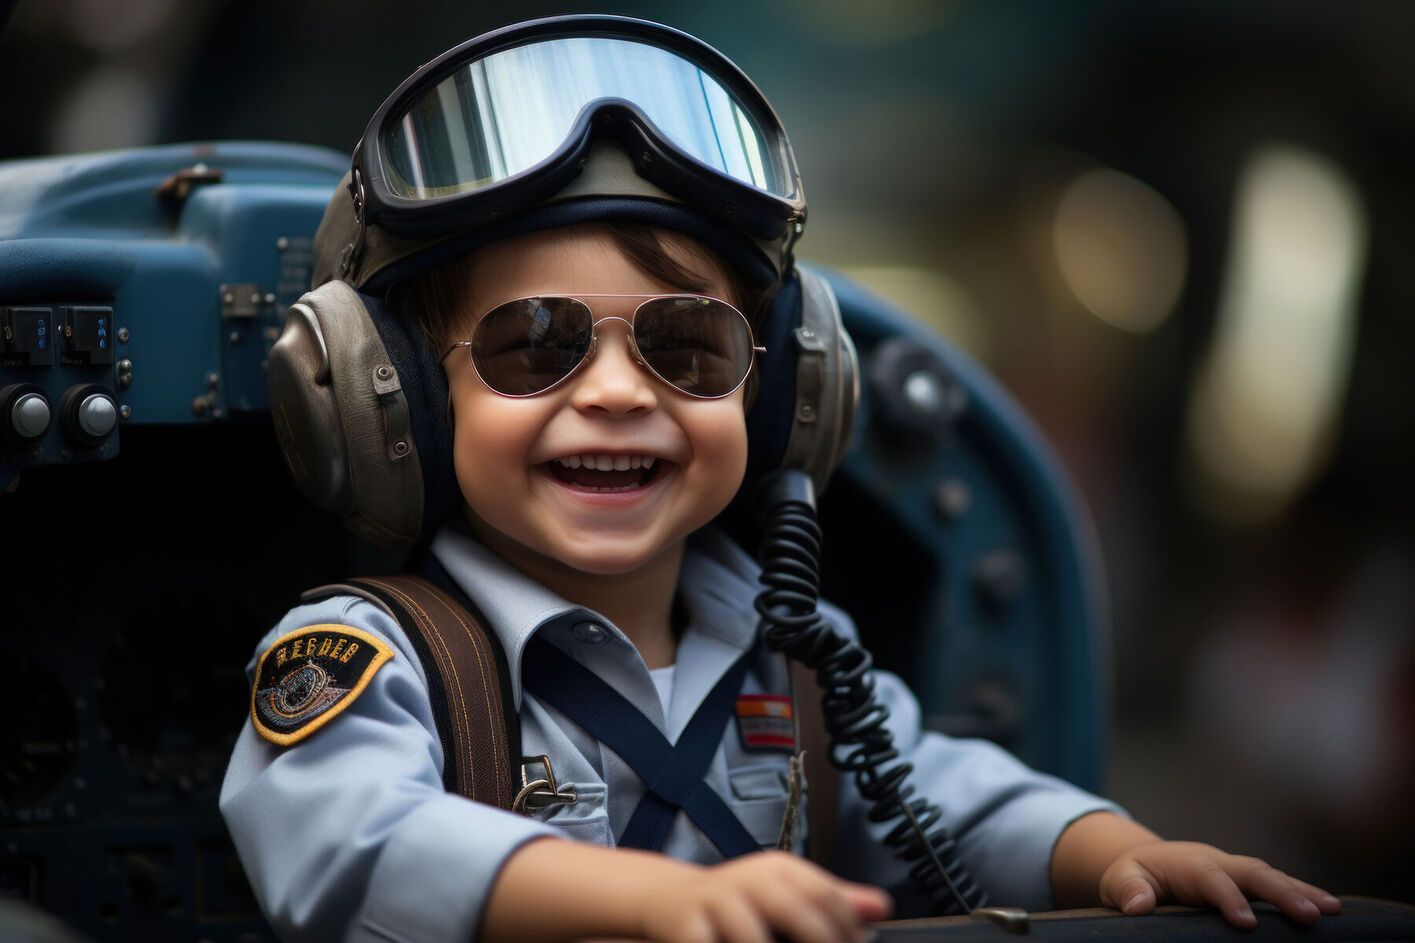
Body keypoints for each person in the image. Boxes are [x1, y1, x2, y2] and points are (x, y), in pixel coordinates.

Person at [220, 15, 1342, 942]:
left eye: (689, 349)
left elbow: (952, 791)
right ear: (398, 397)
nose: (617, 392)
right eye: (535, 344)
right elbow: (350, 844)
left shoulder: (787, 661)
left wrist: (1124, 856)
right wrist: (658, 903)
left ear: (775, 399)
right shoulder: (371, 657)